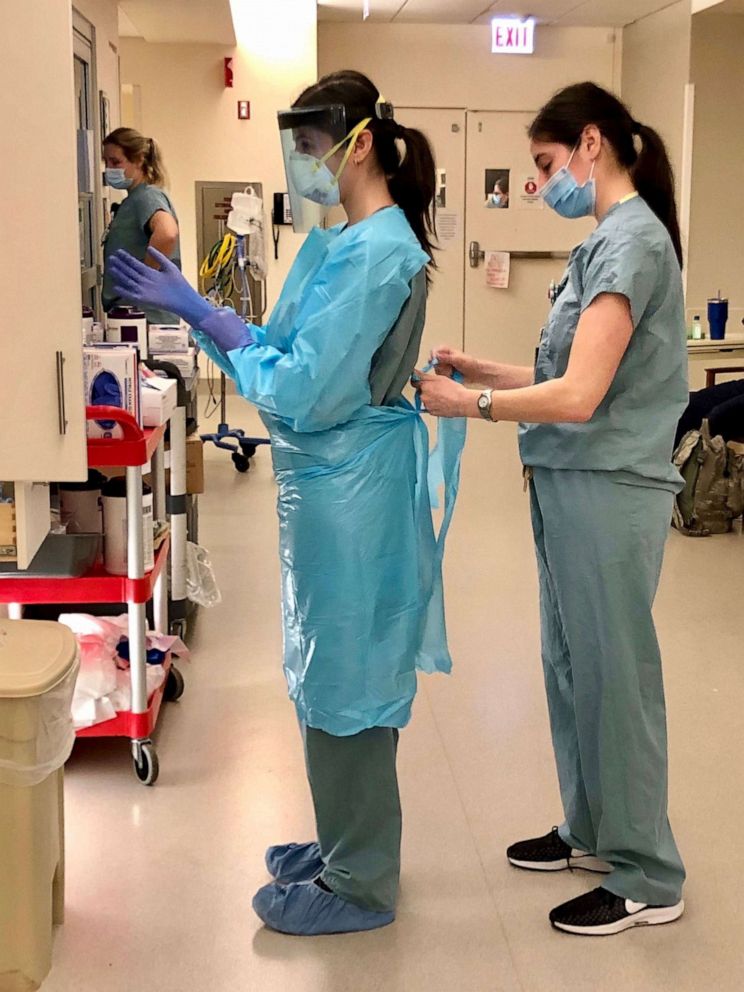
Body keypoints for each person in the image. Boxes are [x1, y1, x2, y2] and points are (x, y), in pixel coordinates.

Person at [108, 71, 465, 937]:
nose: (302, 163)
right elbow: (278, 348)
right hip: (324, 489)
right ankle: (347, 838)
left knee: (350, 680)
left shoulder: (386, 253)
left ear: (360, 142)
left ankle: (363, 880)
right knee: (322, 672)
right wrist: (206, 317)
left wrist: (205, 313)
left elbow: (305, 387)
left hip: (355, 492)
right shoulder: (336, 244)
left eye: (310, 145)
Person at [416, 82, 688, 937]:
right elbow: (557, 371)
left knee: (618, 678)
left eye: (545, 165)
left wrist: (475, 411)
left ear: (592, 144)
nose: (541, 184)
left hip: (610, 488)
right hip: (569, 484)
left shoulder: (634, 246)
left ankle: (650, 874)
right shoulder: (600, 243)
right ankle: (594, 832)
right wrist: (479, 370)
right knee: (570, 668)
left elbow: (577, 397)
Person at [102, 127, 181, 324]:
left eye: (116, 162)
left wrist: (143, 280)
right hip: (136, 317)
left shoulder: (147, 197)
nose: (109, 169)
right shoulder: (133, 201)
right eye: (107, 162)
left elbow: (167, 233)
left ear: (139, 160)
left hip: (147, 318)